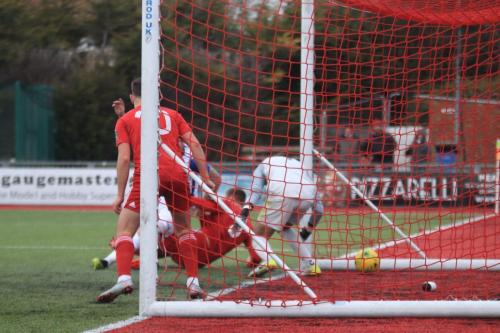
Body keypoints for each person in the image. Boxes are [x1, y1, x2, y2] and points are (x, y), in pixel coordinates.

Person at [97, 78, 214, 303]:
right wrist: (205, 177)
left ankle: (124, 278)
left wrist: (120, 194)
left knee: (125, 232)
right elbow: (195, 144)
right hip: (178, 175)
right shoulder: (173, 115)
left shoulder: (127, 120)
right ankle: (193, 282)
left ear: (132, 97)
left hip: (148, 175)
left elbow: (124, 158)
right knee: (184, 230)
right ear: (159, 96)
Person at [241, 156, 321, 277]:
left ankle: (268, 260)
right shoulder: (300, 167)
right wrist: (308, 229)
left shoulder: (263, 164)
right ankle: (310, 264)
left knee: (257, 234)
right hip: (306, 197)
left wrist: (245, 210)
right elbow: (319, 210)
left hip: (281, 192)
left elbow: (256, 190)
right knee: (285, 228)